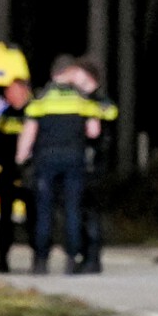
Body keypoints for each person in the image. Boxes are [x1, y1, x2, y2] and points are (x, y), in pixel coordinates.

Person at [18, 55, 110, 274]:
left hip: (46, 160)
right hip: (74, 159)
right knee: (72, 210)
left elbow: (28, 135)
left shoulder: (41, 100)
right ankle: (71, 258)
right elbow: (93, 131)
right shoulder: (80, 101)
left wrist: (21, 159)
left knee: (44, 211)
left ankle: (40, 260)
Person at [0, 78, 34, 272]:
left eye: (12, 91)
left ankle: (38, 260)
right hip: (6, 175)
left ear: (24, 91)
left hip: (28, 175)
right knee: (4, 221)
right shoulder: (4, 116)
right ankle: (2, 261)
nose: (8, 95)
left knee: (34, 219)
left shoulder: (33, 113)